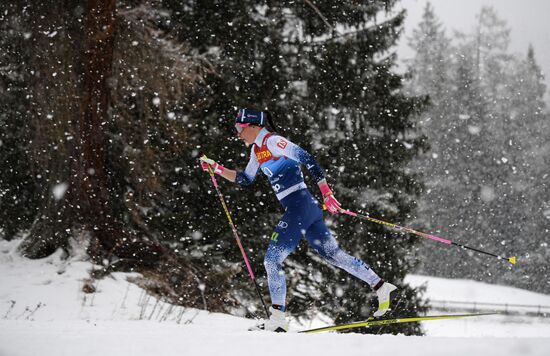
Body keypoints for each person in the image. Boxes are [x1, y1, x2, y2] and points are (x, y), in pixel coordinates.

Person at [200, 108, 396, 332]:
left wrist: (326, 192)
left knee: (272, 259)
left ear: (253, 126)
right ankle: (380, 285)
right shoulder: (256, 150)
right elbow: (245, 179)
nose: (238, 134)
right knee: (333, 254)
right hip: (305, 208)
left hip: (299, 205)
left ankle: (277, 320)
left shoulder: (274, 141)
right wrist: (217, 168)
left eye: (240, 129)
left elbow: (307, 158)